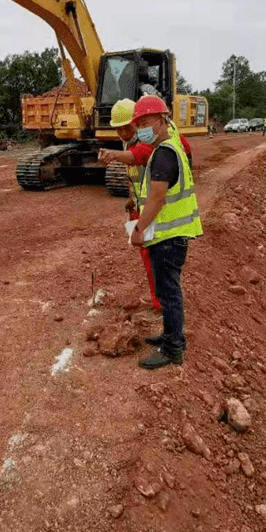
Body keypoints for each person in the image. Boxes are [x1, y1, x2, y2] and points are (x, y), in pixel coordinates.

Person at [128, 95, 203, 370]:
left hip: (170, 239)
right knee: (167, 290)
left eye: (144, 122)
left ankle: (173, 349)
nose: (140, 129)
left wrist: (139, 228)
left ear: (161, 121)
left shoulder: (164, 153)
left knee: (169, 293)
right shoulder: (170, 147)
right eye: (137, 125)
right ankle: (169, 335)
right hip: (172, 236)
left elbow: (157, 198)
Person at [99, 99, 161, 312]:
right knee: (147, 257)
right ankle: (157, 299)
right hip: (139, 206)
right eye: (119, 129)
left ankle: (159, 303)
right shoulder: (128, 143)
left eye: (127, 127)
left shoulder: (147, 143)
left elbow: (138, 158)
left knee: (154, 258)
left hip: (152, 210)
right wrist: (130, 199)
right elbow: (132, 174)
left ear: (138, 124)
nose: (123, 133)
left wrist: (115, 155)